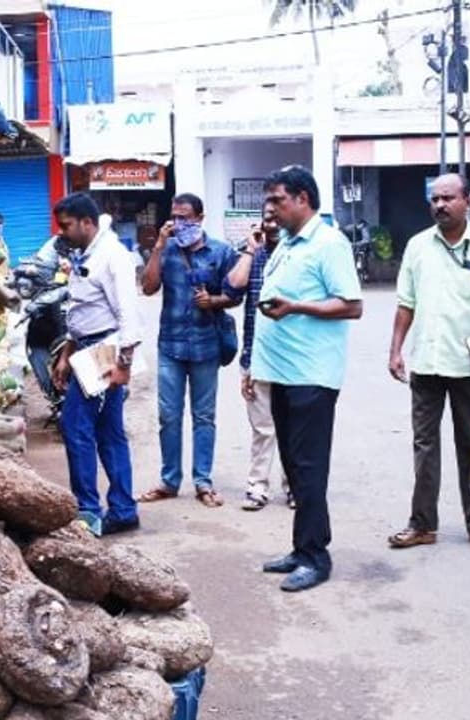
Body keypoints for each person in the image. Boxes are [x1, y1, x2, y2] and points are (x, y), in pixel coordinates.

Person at [387, 173, 470, 553]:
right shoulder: (417, 246)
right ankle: (422, 523)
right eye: (435, 199)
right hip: (427, 361)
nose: (440, 205)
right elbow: (405, 302)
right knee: (424, 445)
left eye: (448, 198)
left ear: (468, 202)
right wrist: (395, 349)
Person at [254, 165, 363, 593]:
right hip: (282, 372)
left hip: (311, 375)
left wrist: (296, 307)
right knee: (295, 466)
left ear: (302, 198)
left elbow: (352, 305)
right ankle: (302, 548)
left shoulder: (328, 243)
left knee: (309, 468)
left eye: (278, 200)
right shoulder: (286, 243)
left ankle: (317, 556)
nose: (271, 208)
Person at [137, 193, 241, 509]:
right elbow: (149, 287)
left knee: (204, 416)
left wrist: (215, 301)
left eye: (186, 218)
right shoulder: (166, 250)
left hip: (206, 344)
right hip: (170, 344)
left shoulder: (221, 252)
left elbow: (236, 293)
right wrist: (157, 246)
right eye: (175, 217)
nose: (179, 223)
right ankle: (169, 481)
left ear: (200, 218)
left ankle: (203, 481)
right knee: (169, 415)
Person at [50, 193, 144, 537]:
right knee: (108, 432)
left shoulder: (112, 256)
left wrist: (124, 364)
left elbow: (128, 315)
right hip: (88, 348)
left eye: (67, 225)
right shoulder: (86, 253)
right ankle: (122, 509)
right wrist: (65, 356)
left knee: (76, 428)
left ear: (87, 222)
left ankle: (88, 511)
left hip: (106, 349)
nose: (62, 232)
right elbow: (82, 311)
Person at [223, 202, 292, 511]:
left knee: (291, 426)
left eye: (277, 217)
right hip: (256, 354)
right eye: (267, 218)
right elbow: (233, 287)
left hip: (292, 356)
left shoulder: (297, 254)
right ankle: (257, 487)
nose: (273, 223)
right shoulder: (254, 254)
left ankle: (294, 488)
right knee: (262, 427)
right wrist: (251, 250)